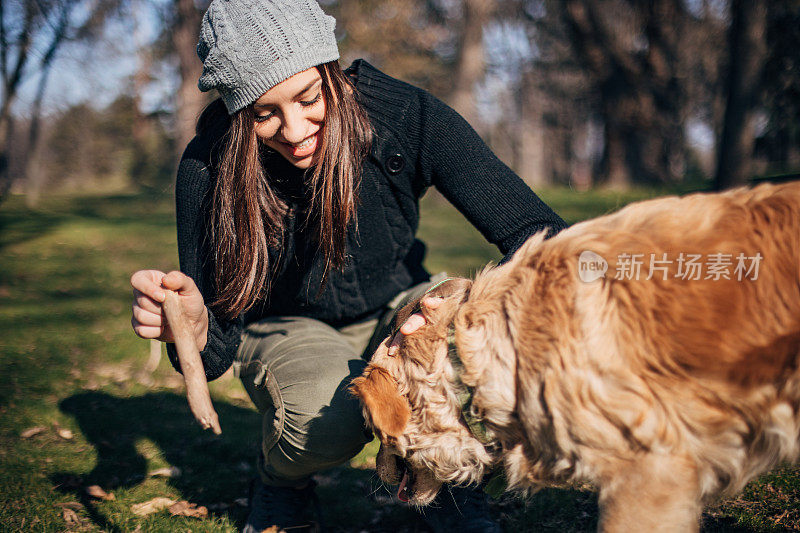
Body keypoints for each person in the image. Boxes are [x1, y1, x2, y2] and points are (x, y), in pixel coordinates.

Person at [130, 0, 567, 531]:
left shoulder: (403, 116)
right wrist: (193, 327)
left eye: (308, 97)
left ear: (330, 72)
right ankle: (280, 481)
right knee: (328, 426)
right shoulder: (208, 168)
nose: (293, 131)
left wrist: (482, 311)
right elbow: (214, 352)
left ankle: (452, 483)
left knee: (461, 349)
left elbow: (537, 235)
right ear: (237, 112)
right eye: (264, 113)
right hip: (286, 326)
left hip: (398, 301)